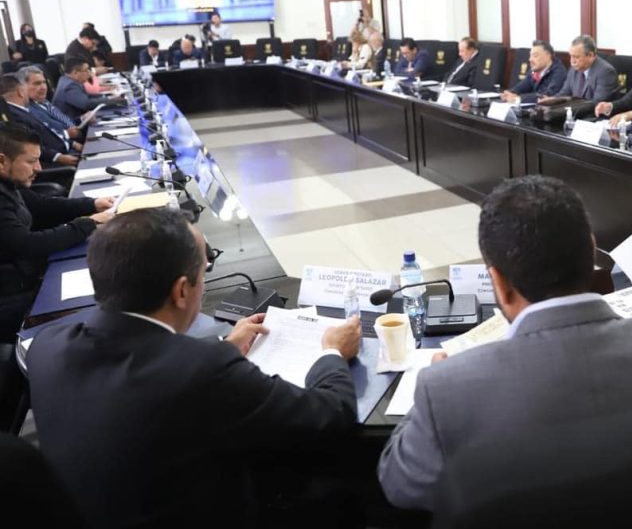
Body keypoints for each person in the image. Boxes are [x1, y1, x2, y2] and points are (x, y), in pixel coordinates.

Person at [377, 175, 632, 511]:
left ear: (499, 283)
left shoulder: (447, 389)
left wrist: (428, 399)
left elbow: (401, 485)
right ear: (591, 249)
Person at [26, 208, 363, 527]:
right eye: (204, 273)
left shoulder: (47, 346)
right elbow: (331, 415)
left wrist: (225, 347)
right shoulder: (204, 370)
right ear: (182, 291)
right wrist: (333, 352)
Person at [0, 125, 112, 339]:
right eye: (31, 161)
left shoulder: (8, 184)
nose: (39, 168)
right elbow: (27, 245)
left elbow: (41, 205)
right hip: (12, 296)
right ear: (2, 161)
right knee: (102, 300)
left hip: (24, 277)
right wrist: (86, 224)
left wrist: (92, 204)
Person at [1, 75, 77, 167]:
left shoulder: (22, 110)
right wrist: (58, 157)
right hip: (54, 163)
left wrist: (72, 144)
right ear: (20, 92)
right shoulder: (14, 114)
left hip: (65, 152)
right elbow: (30, 145)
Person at [540, 34, 618, 103]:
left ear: (590, 55)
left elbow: (597, 103)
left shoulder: (605, 72)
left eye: (576, 57)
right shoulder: (574, 68)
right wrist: (552, 100)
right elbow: (565, 93)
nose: (572, 61)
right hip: (575, 111)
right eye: (571, 56)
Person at [22, 65, 84, 144]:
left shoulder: (45, 102)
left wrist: (82, 119)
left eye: (44, 82)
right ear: (22, 87)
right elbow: (46, 139)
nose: (43, 87)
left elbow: (64, 122)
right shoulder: (29, 110)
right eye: (37, 84)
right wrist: (69, 137)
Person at [501, 40, 567, 104]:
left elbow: (547, 95)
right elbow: (522, 86)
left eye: (535, 56)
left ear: (548, 56)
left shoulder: (559, 72)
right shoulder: (535, 70)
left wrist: (519, 99)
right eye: (530, 56)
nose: (530, 59)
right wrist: (509, 93)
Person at [53, 57, 120, 118]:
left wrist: (107, 97)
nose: (89, 73)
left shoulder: (66, 79)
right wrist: (111, 100)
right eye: (86, 70)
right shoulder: (70, 86)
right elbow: (86, 104)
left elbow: (87, 96)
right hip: (72, 123)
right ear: (75, 73)